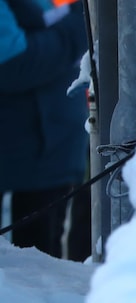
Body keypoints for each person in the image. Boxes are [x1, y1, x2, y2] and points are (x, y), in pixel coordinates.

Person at [0, 0, 89, 260]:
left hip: (55, 149)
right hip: (27, 143)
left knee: (45, 271)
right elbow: (13, 63)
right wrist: (81, 24)